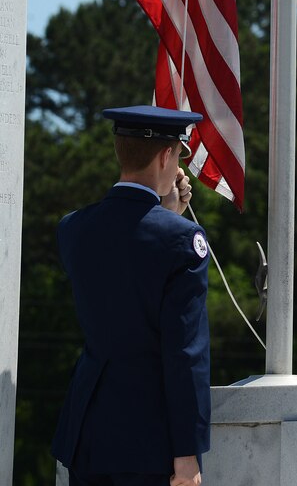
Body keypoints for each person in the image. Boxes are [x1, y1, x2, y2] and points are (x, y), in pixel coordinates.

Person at [52, 106, 211, 486]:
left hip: (86, 432)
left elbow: (123, 271)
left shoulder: (73, 227)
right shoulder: (183, 241)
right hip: (149, 441)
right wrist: (188, 455)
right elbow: (184, 352)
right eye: (179, 154)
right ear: (165, 156)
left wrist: (167, 212)